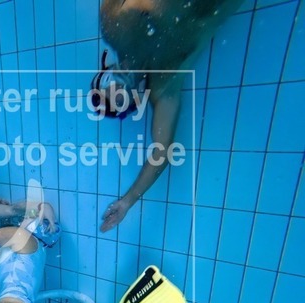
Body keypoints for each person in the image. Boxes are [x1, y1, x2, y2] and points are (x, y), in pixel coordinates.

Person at [95, 0, 244, 232]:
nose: (114, 89)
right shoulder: (164, 85)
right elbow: (162, 152)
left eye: (105, 84)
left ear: (107, 69)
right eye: (117, 101)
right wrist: (127, 202)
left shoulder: (111, 25)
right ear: (136, 100)